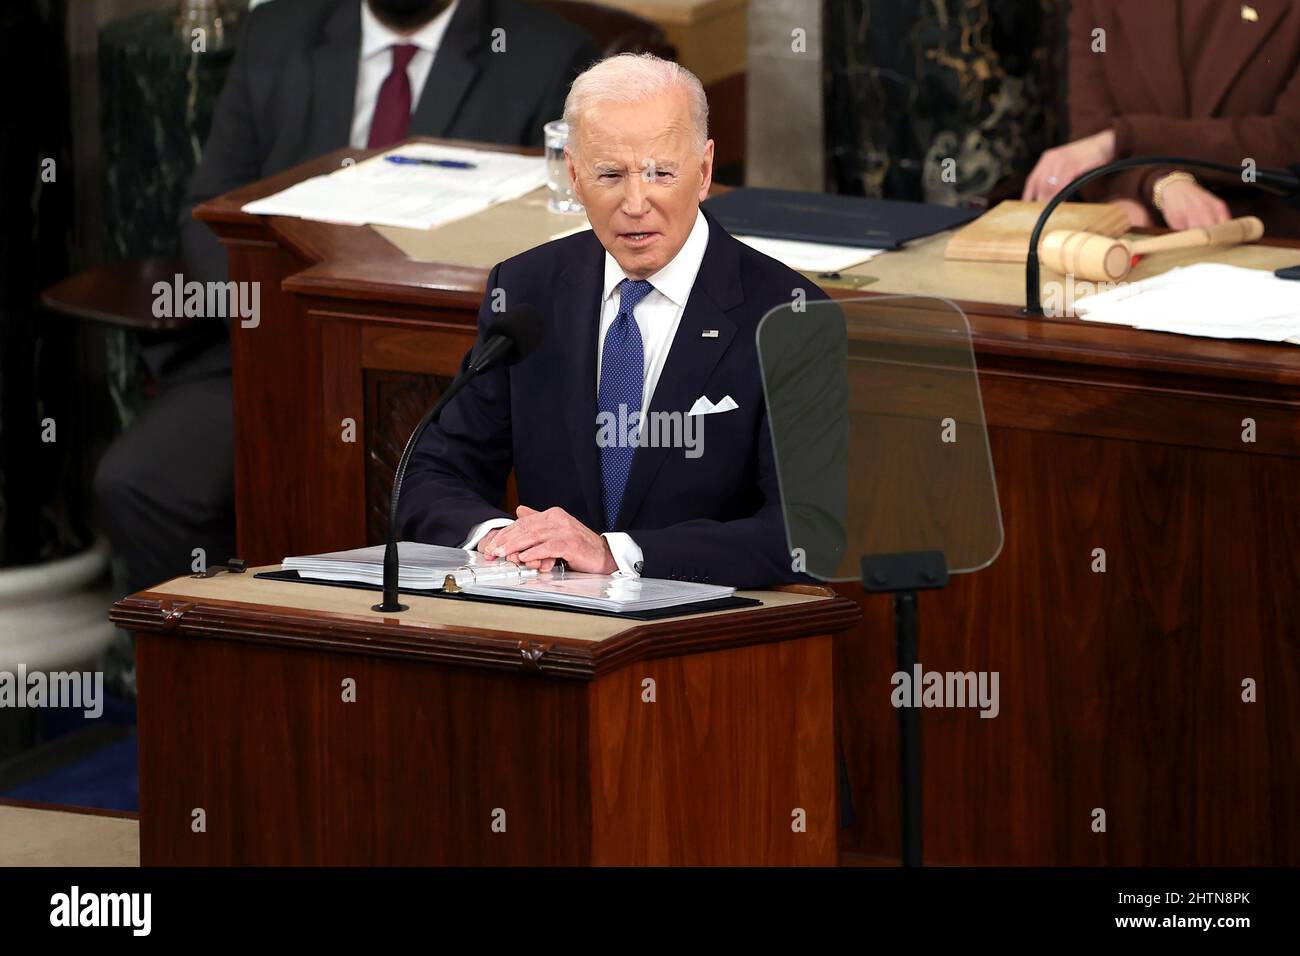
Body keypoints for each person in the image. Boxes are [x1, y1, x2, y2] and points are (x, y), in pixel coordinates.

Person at [94, 0, 599, 597]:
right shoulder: (280, 30)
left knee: (389, 497)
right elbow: (207, 215)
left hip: (444, 365)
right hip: (271, 347)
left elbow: (558, 250)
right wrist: (273, 322)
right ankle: (223, 671)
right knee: (140, 482)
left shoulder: (544, 52)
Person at [396, 53, 832, 588]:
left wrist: (616, 555)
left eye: (661, 173)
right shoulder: (528, 289)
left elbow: (804, 533)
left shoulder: (788, 314)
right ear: (575, 176)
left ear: (705, 170)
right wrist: (500, 538)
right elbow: (432, 475)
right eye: (609, 174)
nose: (634, 203)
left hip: (705, 637)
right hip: (550, 628)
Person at [1023, 0, 1300, 236]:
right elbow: (1087, 151)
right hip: (1147, 239)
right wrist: (1160, 184)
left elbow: (1289, 141)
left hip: (1270, 241)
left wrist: (1125, 138)